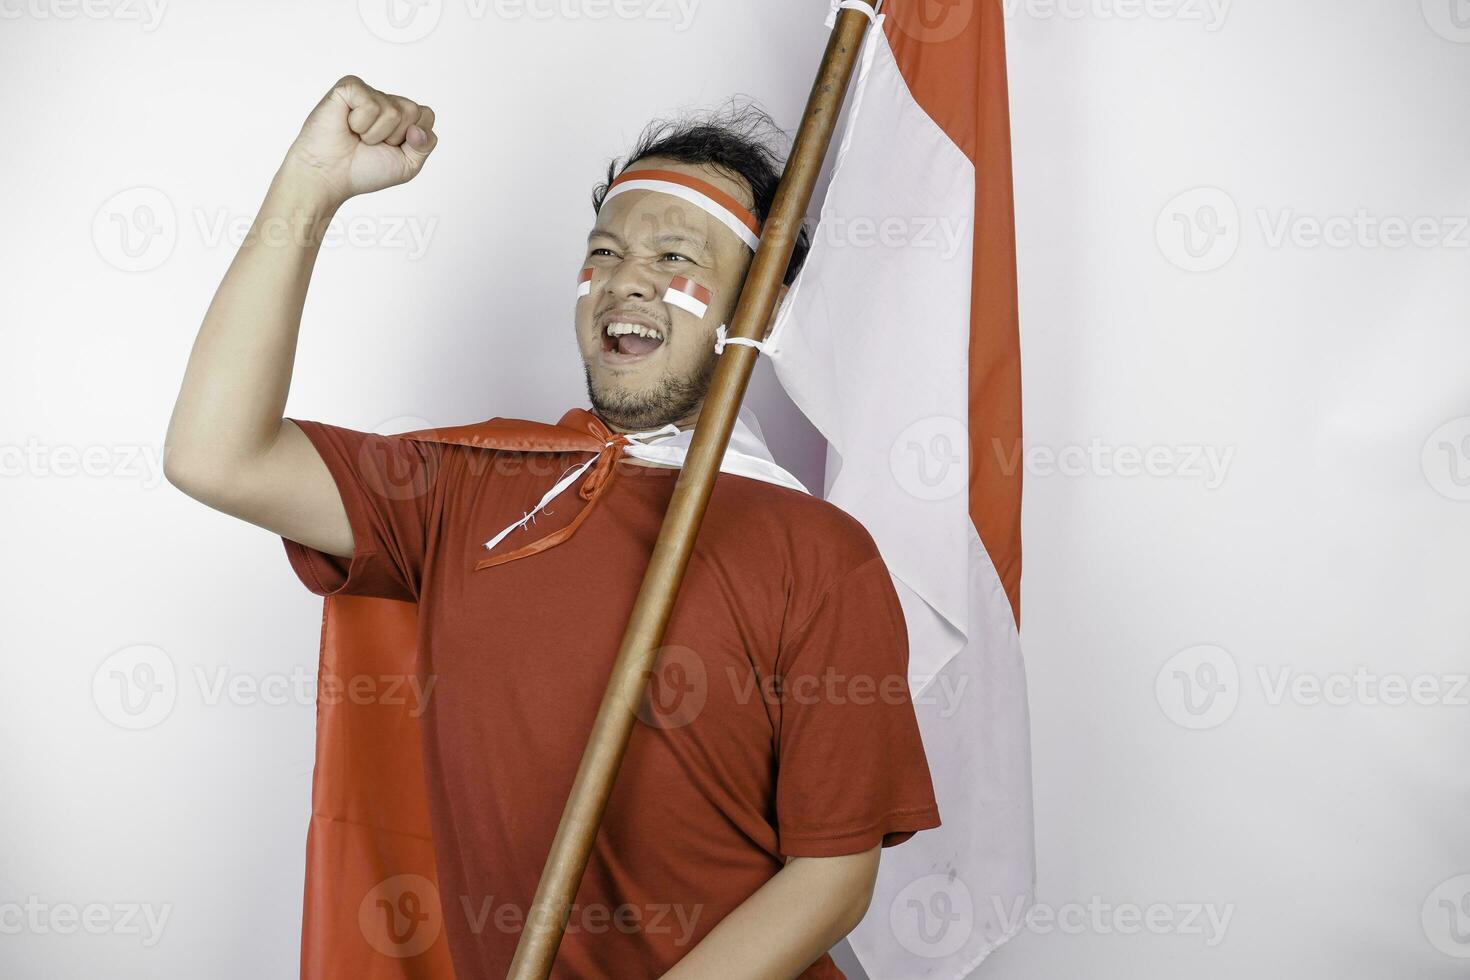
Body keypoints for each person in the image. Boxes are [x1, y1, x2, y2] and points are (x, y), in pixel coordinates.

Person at [163, 74, 941, 979]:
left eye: (675, 260)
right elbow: (216, 455)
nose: (626, 285)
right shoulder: (469, 491)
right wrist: (310, 184)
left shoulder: (820, 553)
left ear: (757, 311)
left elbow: (834, 875)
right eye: (604, 253)